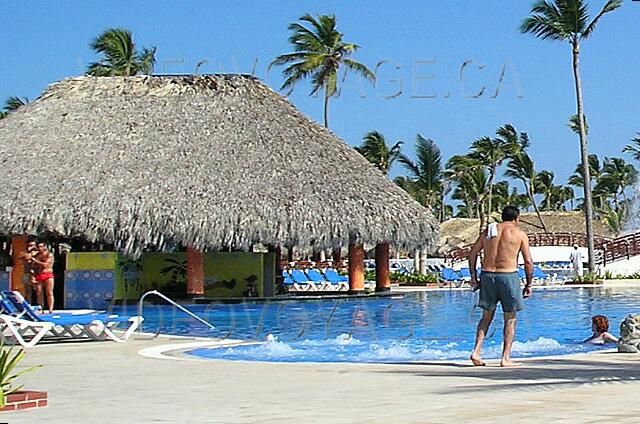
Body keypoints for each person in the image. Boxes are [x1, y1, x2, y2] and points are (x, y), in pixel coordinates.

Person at [468, 206, 534, 367]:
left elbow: (472, 254)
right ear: (517, 219)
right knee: (510, 318)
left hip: (487, 275)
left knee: (486, 316)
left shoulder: (489, 231)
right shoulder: (519, 234)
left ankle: (476, 351)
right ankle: (505, 358)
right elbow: (528, 262)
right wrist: (529, 283)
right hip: (508, 276)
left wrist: (474, 278)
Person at [30, 242, 54, 313]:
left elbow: (46, 265)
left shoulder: (49, 255)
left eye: (41, 247)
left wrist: (35, 260)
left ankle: (50, 309)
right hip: (39, 275)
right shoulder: (37, 255)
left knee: (49, 292)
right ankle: (41, 309)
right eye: (38, 247)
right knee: (39, 293)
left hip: (48, 274)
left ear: (44, 247)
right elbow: (32, 267)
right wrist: (32, 276)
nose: (40, 248)